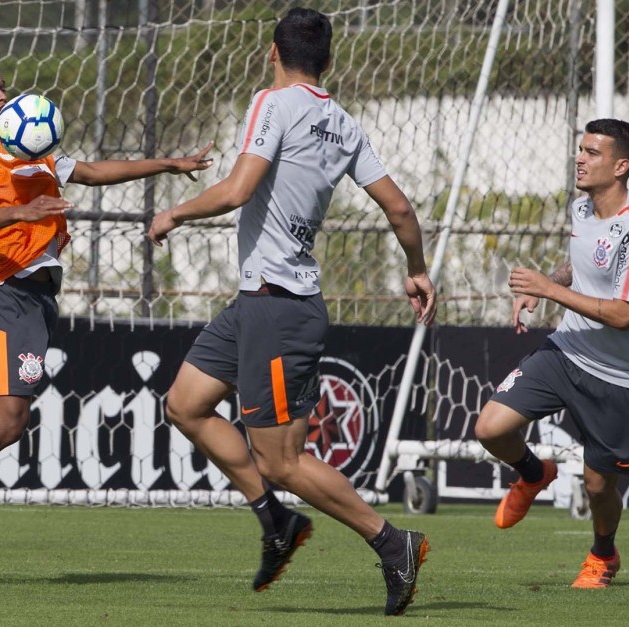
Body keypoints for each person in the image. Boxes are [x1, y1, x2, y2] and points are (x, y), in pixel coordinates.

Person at [0, 55, 214, 575]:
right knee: (10, 421)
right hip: (5, 291)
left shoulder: (29, 146)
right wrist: (20, 212)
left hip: (37, 300)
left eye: (2, 86)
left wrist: (167, 163)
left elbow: (95, 171)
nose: (0, 95)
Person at [148, 8, 437, 616]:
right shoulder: (344, 122)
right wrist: (416, 268)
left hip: (278, 308)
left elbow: (237, 190)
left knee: (281, 460)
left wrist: (174, 213)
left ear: (271, 53)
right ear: (328, 63)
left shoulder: (273, 103)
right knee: (186, 404)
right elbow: (402, 211)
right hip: (261, 300)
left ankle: (392, 542)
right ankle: (275, 520)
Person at [474, 119, 629, 588]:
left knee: (599, 487)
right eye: (580, 149)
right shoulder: (582, 209)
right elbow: (579, 264)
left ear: (621, 166)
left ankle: (602, 555)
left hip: (619, 375)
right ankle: (535, 474)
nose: (580, 158)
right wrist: (547, 286)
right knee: (490, 429)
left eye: (592, 153)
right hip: (566, 351)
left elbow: (622, 314)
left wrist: (546, 290)